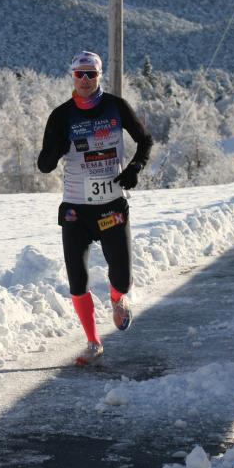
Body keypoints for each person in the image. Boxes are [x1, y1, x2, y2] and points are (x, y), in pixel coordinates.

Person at [37, 51, 154, 366]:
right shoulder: (61, 116)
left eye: (91, 74)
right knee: (77, 279)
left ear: (100, 75)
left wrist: (134, 169)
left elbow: (146, 141)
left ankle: (117, 300)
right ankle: (93, 342)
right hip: (76, 210)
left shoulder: (116, 107)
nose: (85, 80)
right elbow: (44, 165)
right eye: (80, 74)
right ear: (72, 76)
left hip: (111, 208)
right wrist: (59, 148)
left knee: (122, 278)